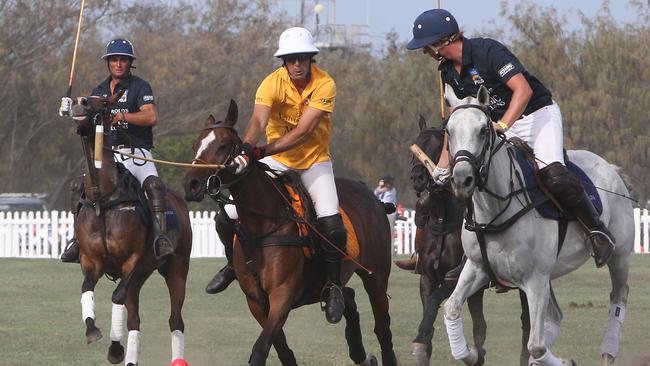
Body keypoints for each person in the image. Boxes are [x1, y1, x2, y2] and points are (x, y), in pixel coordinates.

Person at [406, 9, 614, 267]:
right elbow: (454, 121)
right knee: (482, 176)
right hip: (497, 124)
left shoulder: (488, 52)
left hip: (536, 115)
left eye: (426, 47)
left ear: (441, 42)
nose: (425, 53)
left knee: (554, 175)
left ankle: (597, 232)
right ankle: (493, 251)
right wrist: (444, 164)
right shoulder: (447, 71)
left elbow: (523, 90)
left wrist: (504, 124)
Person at [204, 27, 346, 324]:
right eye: (291, 59)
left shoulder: (325, 84)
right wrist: (246, 147)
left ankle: (333, 286)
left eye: (302, 58)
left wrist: (260, 151)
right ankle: (232, 266)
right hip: (278, 162)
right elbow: (258, 120)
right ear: (283, 61)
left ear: (310, 59)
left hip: (313, 162)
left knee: (332, 225)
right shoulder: (271, 83)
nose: (296, 64)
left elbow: (303, 132)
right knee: (224, 217)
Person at [58, 38, 175, 262]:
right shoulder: (99, 90)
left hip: (137, 153)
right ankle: (76, 240)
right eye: (114, 60)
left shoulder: (140, 87)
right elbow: (85, 114)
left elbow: (151, 116)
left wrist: (122, 116)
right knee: (77, 186)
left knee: (154, 185)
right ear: (108, 63)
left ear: (130, 63)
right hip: (107, 154)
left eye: (123, 60)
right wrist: (68, 108)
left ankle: (160, 238)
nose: (118, 64)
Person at [374, 173, 398, 241]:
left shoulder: (392, 190)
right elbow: (374, 194)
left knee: (389, 232)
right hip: (381, 212)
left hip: (389, 213)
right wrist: (380, 186)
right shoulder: (380, 190)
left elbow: (388, 200)